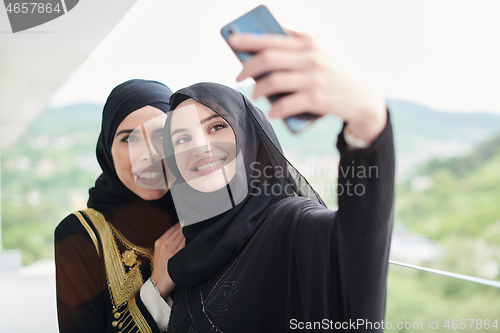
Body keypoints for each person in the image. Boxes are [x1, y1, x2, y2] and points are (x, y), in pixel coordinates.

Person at [158, 29, 394, 333]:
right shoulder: (189, 246)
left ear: (250, 138)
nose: (199, 147)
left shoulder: (287, 220)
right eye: (181, 138)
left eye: (216, 127)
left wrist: (367, 118)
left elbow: (357, 252)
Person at [54, 79, 185, 333]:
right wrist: (157, 286)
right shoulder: (80, 234)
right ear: (107, 152)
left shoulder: (207, 219)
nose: (149, 154)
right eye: (129, 138)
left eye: (161, 135)